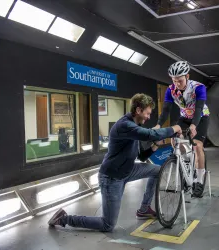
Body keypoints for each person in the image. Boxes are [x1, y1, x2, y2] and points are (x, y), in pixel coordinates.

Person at [48, 93, 182, 232]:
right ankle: (64, 218)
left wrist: (155, 145)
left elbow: (142, 157)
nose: (148, 117)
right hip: (112, 177)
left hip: (128, 170)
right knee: (108, 224)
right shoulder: (125, 125)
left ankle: (144, 210)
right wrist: (174, 128)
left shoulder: (134, 126)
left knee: (157, 171)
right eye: (147, 113)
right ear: (138, 110)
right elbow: (150, 134)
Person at [153, 61, 210, 198]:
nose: (177, 84)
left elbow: (198, 109)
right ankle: (186, 167)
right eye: (174, 81)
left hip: (201, 117)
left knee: (197, 146)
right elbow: (166, 110)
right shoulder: (170, 90)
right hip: (184, 117)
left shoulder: (198, 87)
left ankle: (200, 180)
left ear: (187, 76)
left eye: (180, 80)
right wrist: (158, 125)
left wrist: (194, 125)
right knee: (175, 141)